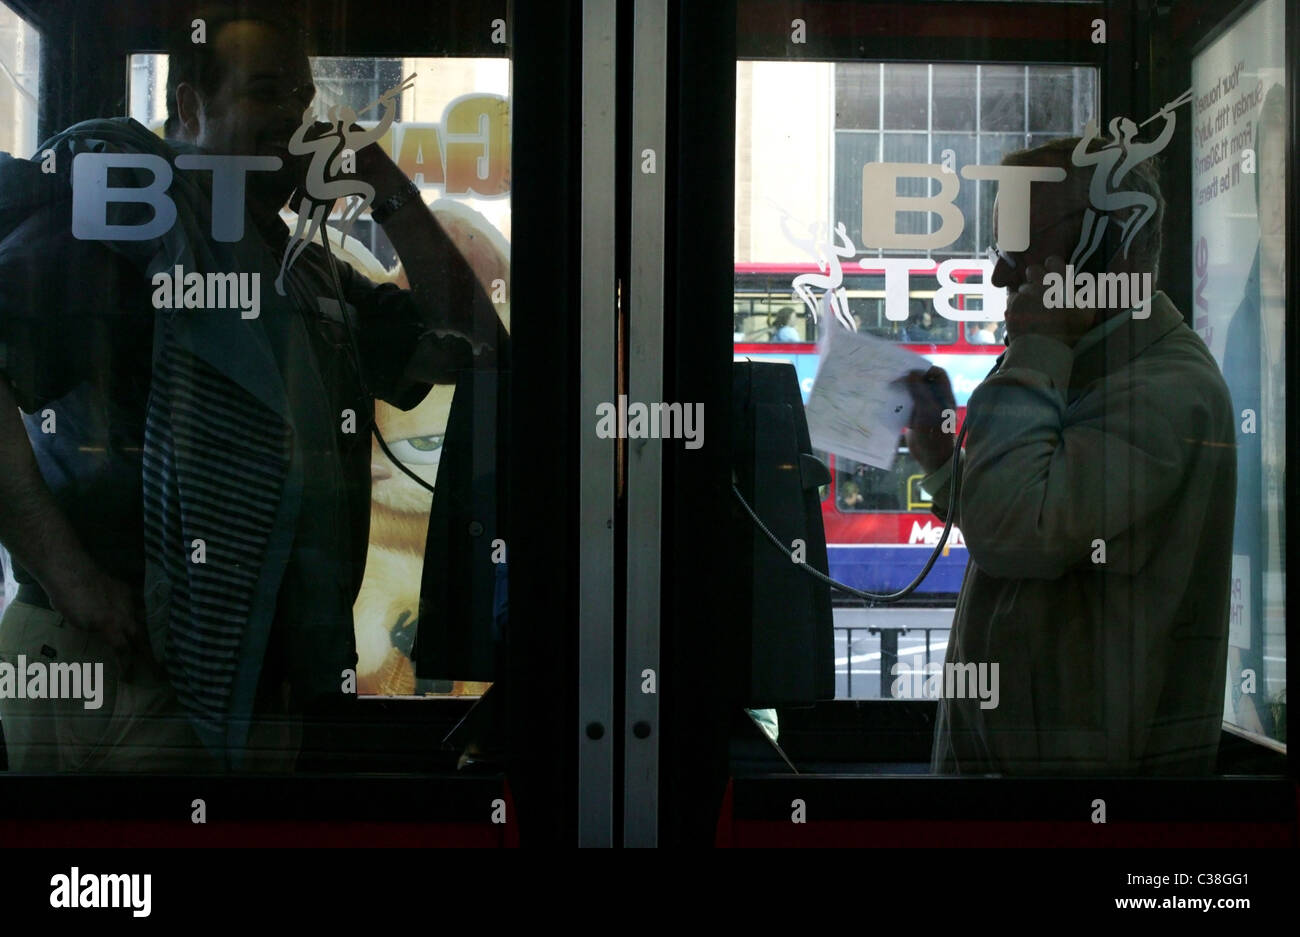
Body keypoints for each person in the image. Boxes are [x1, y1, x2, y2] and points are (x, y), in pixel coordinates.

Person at [0, 6, 503, 771]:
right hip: (113, 650)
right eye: (267, 93)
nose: (295, 120)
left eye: (304, 100)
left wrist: (381, 180)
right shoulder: (119, 225)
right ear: (189, 108)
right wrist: (73, 579)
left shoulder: (306, 271)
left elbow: (476, 342)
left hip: (252, 667)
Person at [902, 131, 1236, 775]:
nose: (999, 272)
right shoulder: (1091, 368)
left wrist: (1036, 349)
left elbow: (1015, 535)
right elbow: (1034, 527)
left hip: (1084, 812)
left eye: (1019, 245)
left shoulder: (1164, 393)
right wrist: (946, 466)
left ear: (1104, 250)